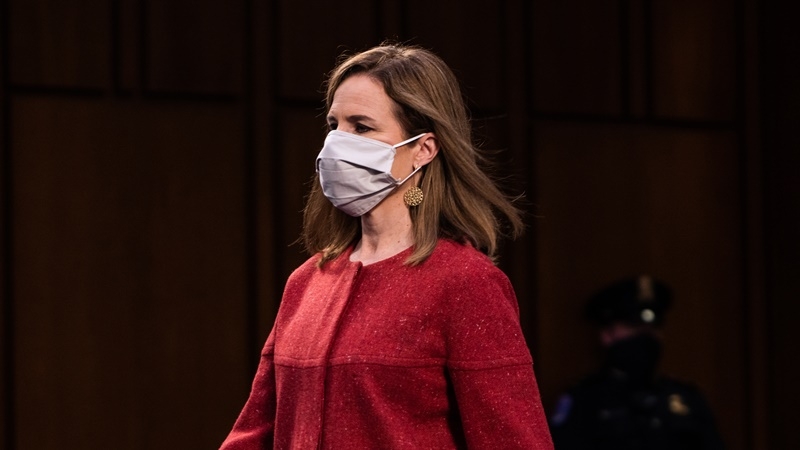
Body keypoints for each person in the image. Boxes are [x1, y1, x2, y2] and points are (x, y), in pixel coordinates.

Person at [220, 43, 554, 449]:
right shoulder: (307, 282)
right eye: (334, 125)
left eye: (362, 127)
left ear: (422, 149)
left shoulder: (466, 283)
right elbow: (255, 433)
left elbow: (512, 440)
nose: (338, 144)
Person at [548, 275, 725, 450]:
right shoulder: (584, 401)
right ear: (606, 334)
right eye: (633, 326)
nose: (645, 335)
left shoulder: (687, 399)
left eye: (653, 327)